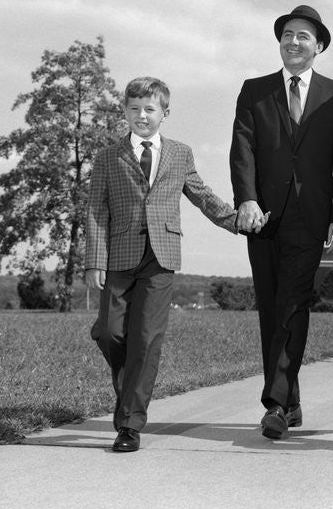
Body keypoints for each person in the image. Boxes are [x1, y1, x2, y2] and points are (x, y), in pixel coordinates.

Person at [86, 77, 251, 453]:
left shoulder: (180, 153)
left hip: (161, 257)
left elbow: (201, 194)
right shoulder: (107, 157)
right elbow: (96, 210)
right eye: (134, 109)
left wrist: (235, 220)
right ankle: (131, 388)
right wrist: (94, 260)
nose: (141, 116)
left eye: (150, 109)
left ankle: (129, 423)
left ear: (165, 113)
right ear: (124, 111)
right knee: (109, 332)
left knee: (146, 339)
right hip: (119, 256)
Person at [230, 4, 333, 440]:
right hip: (263, 217)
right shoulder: (254, 90)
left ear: (318, 46)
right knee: (271, 308)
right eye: (287, 35)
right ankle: (293, 399)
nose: (294, 42)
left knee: (293, 303)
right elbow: (242, 150)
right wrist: (245, 200)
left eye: (303, 36)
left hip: (311, 218)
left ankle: (277, 405)